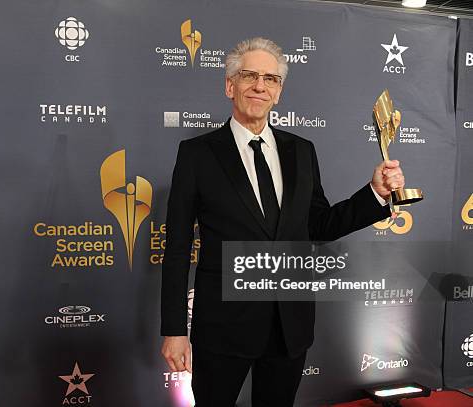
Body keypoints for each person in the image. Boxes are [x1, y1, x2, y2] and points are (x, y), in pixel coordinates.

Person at [160, 37, 404, 406]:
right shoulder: (196, 154)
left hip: (289, 325)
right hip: (223, 326)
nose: (260, 85)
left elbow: (320, 225)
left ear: (279, 92)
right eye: (250, 76)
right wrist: (175, 330)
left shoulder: (302, 151)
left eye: (271, 79)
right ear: (230, 85)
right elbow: (177, 248)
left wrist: (374, 193)